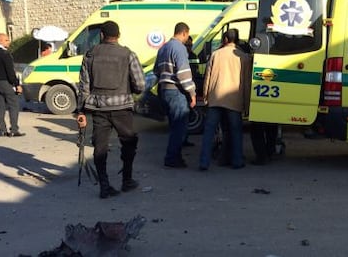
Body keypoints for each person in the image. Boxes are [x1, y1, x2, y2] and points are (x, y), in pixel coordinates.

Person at [76, 21, 145, 199]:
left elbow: (84, 85)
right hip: (122, 107)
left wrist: (81, 111)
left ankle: (104, 186)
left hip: (99, 108)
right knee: (129, 143)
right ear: (118, 35)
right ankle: (127, 180)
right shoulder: (128, 54)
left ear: (101, 35)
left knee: (100, 146)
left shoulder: (90, 55)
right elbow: (140, 84)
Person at [199, 29, 252, 170]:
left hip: (215, 99)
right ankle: (237, 161)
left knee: (209, 132)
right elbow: (246, 83)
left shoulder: (215, 54)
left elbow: (207, 78)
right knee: (235, 132)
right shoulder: (244, 57)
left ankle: (204, 162)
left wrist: (205, 97)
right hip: (234, 101)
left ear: (225, 39)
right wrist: (246, 104)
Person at [153, 22, 196, 168]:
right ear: (184, 33)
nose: (187, 38)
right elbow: (183, 74)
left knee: (174, 125)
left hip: (164, 89)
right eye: (187, 35)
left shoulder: (163, 48)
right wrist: (192, 93)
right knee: (179, 127)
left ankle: (175, 156)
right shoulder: (180, 48)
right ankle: (172, 158)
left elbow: (156, 71)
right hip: (176, 91)